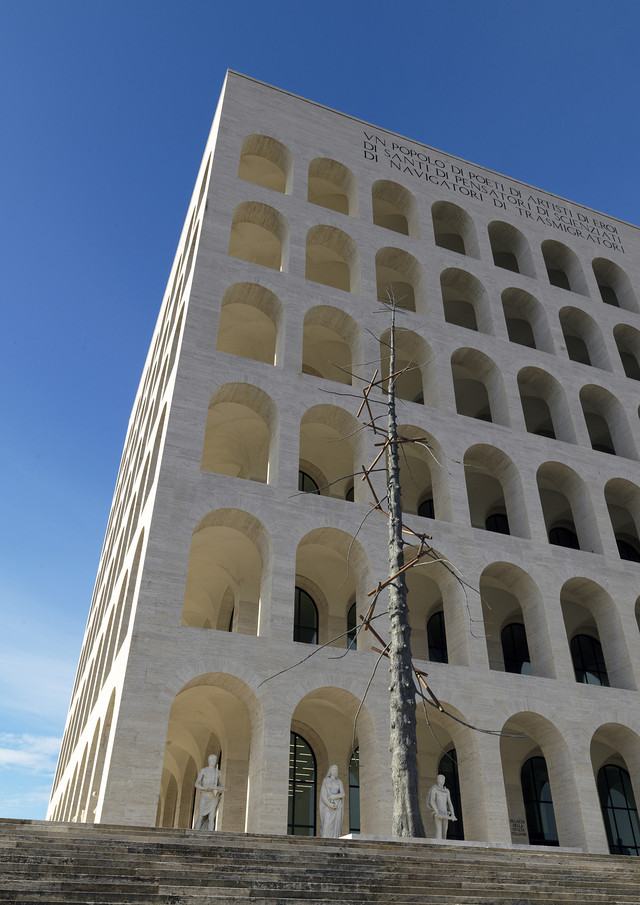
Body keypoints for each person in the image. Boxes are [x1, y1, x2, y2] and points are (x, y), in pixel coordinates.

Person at [194, 754, 225, 830]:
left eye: (215, 760)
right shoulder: (204, 770)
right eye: (212, 760)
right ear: (209, 760)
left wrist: (219, 788)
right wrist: (203, 788)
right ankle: (195, 833)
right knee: (200, 816)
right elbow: (196, 783)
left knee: (211, 817)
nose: (214, 761)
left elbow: (221, 785)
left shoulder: (218, 772)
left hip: (213, 796)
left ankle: (210, 834)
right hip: (204, 795)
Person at [427, 774, 456, 839]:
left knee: (444, 833)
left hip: (445, 813)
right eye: (441, 779)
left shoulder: (446, 790)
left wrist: (453, 814)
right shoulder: (435, 789)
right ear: (437, 780)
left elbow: (449, 803)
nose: (443, 781)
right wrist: (437, 811)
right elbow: (432, 800)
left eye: (444, 779)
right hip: (438, 813)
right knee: (439, 832)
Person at [319, 765, 345, 837]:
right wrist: (329, 804)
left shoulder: (339, 782)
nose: (335, 771)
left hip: (337, 806)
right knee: (326, 824)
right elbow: (323, 795)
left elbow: (343, 793)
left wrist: (334, 796)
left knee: (337, 827)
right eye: (333, 770)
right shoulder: (326, 781)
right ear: (330, 771)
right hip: (328, 806)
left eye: (336, 770)